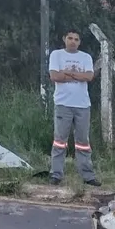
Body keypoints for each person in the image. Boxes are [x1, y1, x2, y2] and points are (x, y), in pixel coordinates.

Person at [48, 28, 101, 187]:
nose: (73, 41)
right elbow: (55, 76)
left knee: (83, 142)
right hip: (63, 104)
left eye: (76, 39)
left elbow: (89, 76)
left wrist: (67, 73)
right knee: (59, 141)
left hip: (82, 105)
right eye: (70, 38)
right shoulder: (56, 55)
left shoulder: (85, 57)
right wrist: (78, 75)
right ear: (64, 39)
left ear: (79, 42)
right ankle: (56, 174)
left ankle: (87, 176)